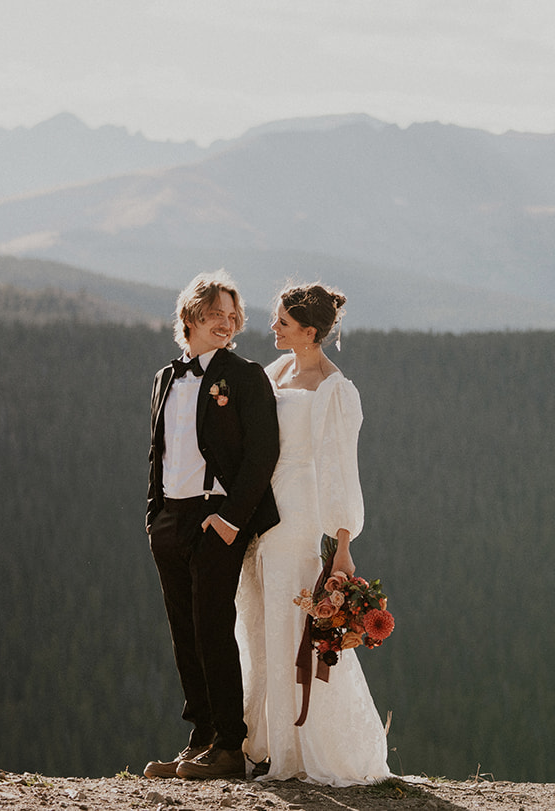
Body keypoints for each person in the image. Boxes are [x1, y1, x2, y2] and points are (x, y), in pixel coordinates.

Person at [236, 282, 391, 785]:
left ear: (309, 332)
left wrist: (342, 545)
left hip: (301, 513)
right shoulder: (274, 370)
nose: (273, 328)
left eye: (282, 322)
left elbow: (342, 469)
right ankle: (260, 741)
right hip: (263, 505)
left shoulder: (334, 387)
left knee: (292, 621)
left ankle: (296, 751)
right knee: (259, 619)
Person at [144, 270, 281, 781]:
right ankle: (199, 737)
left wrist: (229, 520)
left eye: (232, 316)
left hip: (216, 520)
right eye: (216, 315)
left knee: (213, 631)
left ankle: (229, 745)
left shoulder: (245, 375)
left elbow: (264, 452)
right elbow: (157, 453)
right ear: (190, 318)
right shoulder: (165, 377)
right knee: (184, 633)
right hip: (170, 521)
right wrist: (153, 514)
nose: (226, 323)